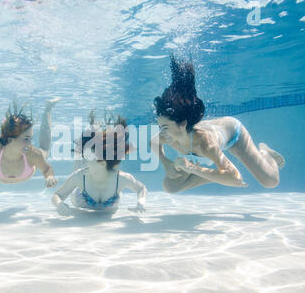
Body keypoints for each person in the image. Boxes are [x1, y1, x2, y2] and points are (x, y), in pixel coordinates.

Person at [150, 56, 285, 193]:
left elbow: (236, 179)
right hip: (201, 143)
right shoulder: (167, 135)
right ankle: (218, 175)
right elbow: (152, 141)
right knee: (170, 187)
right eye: (160, 127)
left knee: (270, 181)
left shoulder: (205, 143)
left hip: (234, 136)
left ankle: (264, 151)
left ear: (182, 124)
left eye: (164, 127)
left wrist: (191, 168)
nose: (161, 132)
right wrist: (165, 162)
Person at [52, 114, 147, 215]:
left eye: (87, 158)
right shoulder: (79, 177)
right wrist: (58, 203)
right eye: (84, 157)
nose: (83, 161)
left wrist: (141, 202)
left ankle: (81, 152)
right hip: (79, 195)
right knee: (79, 169)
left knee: (83, 165)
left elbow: (141, 188)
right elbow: (57, 195)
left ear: (102, 162)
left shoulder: (121, 178)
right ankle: (79, 152)